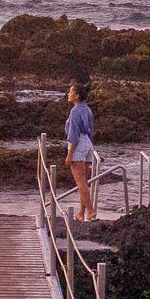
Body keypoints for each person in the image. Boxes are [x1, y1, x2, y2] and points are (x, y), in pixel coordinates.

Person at [64, 80, 96, 222]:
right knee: (84, 182)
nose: (68, 94)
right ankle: (81, 213)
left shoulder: (75, 111)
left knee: (80, 182)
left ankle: (91, 211)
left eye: (71, 91)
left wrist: (70, 154)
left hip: (78, 146)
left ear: (77, 96)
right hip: (88, 144)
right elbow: (90, 131)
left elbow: (74, 135)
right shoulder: (87, 109)